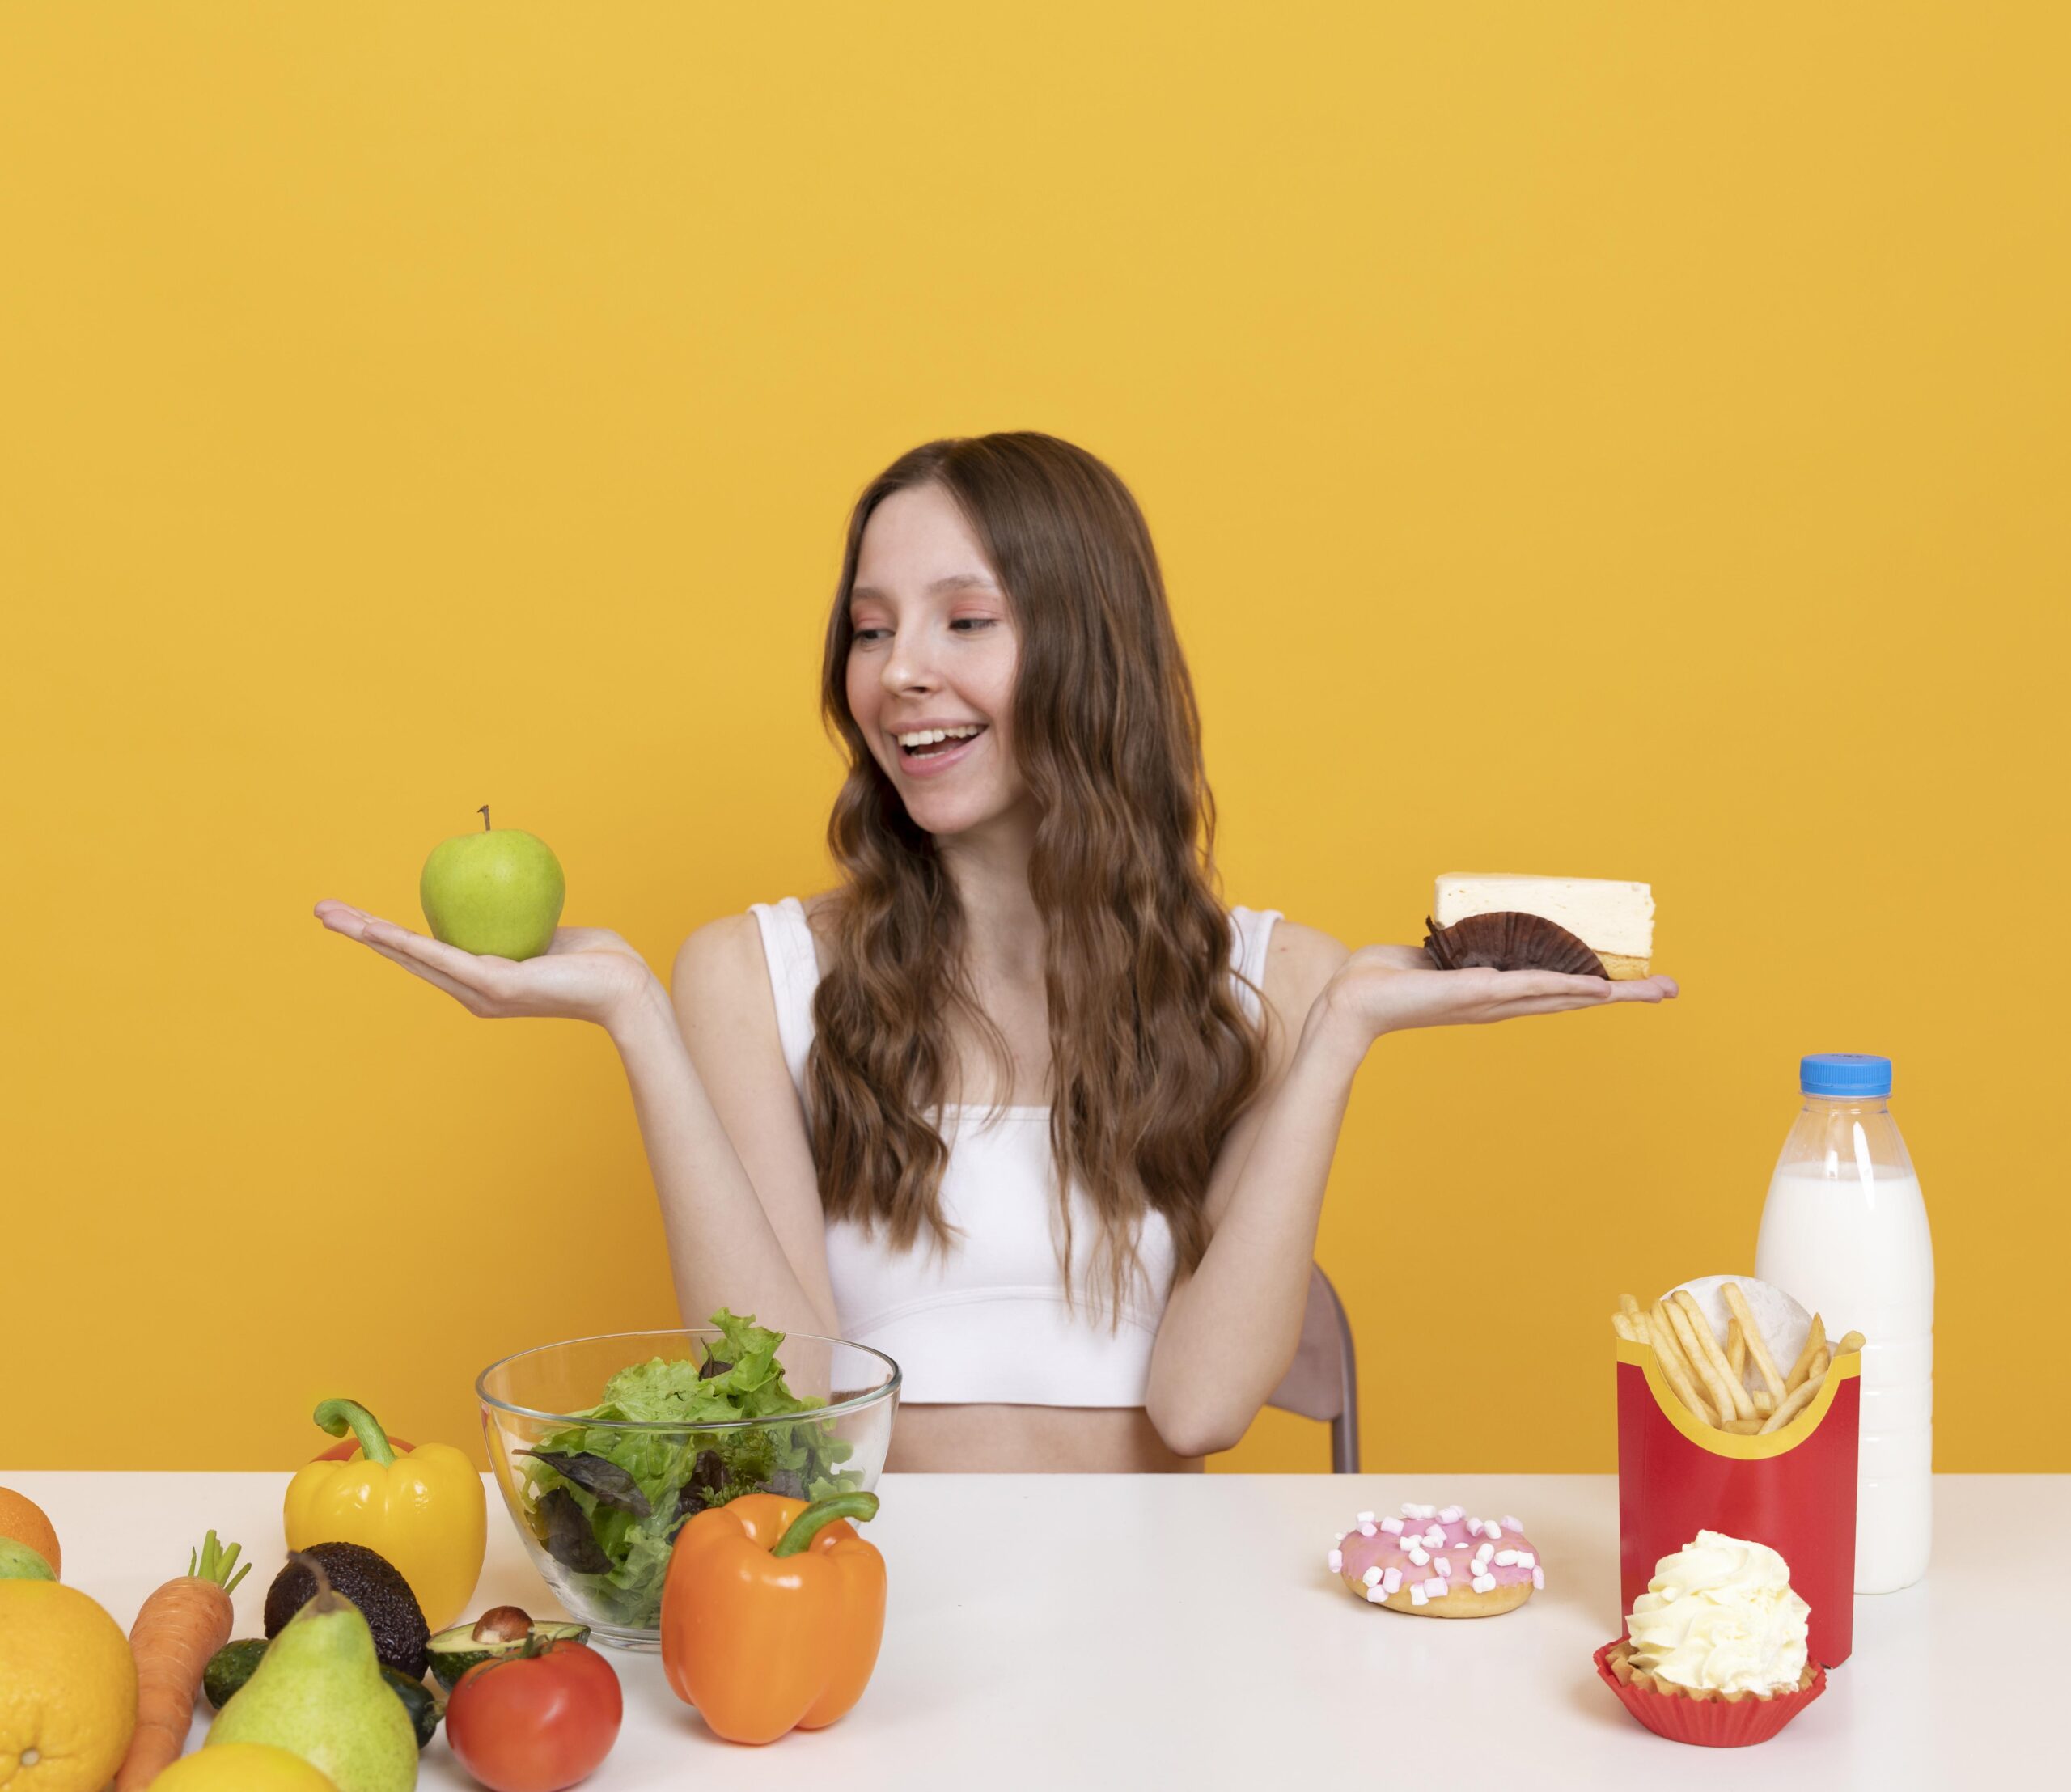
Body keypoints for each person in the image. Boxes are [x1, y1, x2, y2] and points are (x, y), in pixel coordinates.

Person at [316, 432, 1675, 1473]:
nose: (899, 669)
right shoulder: (751, 974)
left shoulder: (1288, 984)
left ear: (1091, 654)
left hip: (1168, 1641)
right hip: (864, 1628)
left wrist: (1336, 1044)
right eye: (870, 626)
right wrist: (632, 1018)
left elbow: (1200, 1410)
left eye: (966, 621)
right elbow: (796, 1417)